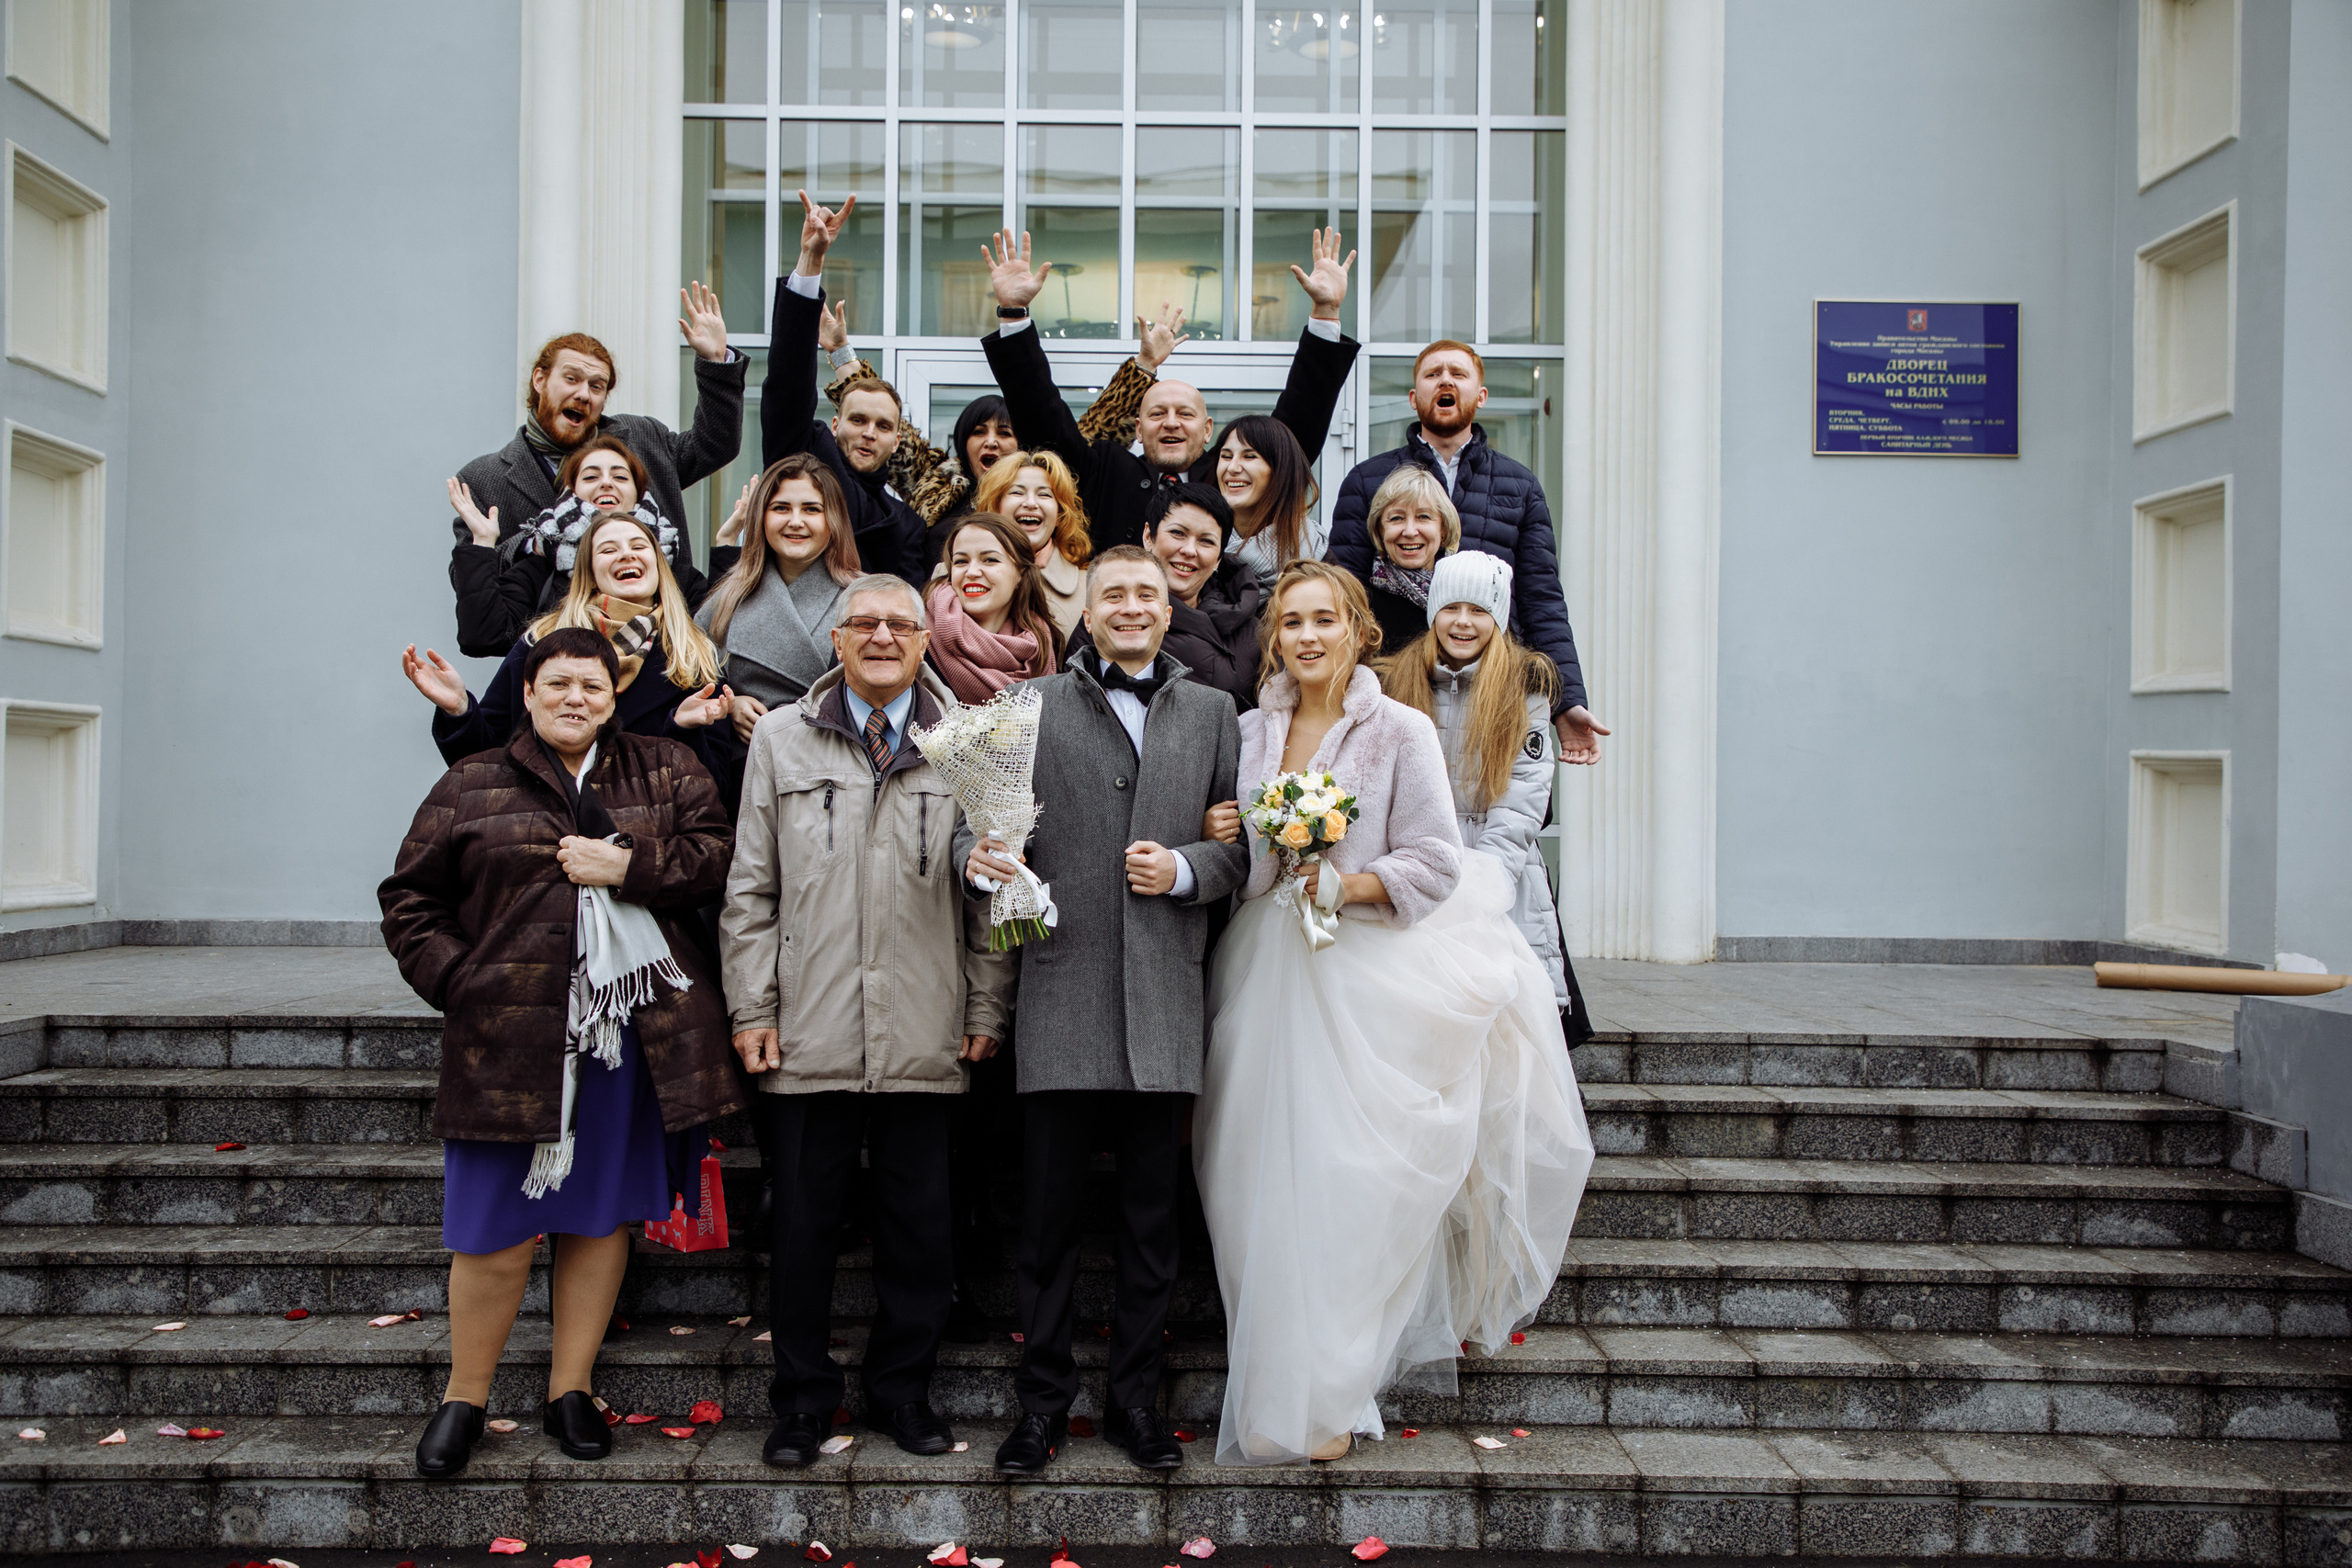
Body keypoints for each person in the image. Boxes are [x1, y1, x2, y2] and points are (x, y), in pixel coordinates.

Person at [1193, 560, 1594, 1466]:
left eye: (1322, 620)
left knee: (1347, 1189)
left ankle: (1330, 1392)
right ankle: (1274, 1389)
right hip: (1264, 971)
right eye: (1289, 622)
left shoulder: (1401, 731)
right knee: (1253, 1184)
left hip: (1362, 971)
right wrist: (1236, 833)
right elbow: (1250, 865)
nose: (1305, 636)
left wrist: (1349, 882)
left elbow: (1437, 861)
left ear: (1356, 629)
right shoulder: (1251, 730)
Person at [379, 626, 741, 1479]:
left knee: (596, 1218)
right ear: (529, 694)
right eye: (558, 684)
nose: (575, 698)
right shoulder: (471, 781)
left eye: (592, 686)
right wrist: (461, 980)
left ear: (614, 697)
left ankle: (569, 1389)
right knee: (493, 1232)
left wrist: (629, 865)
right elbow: (409, 900)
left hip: (629, 1038)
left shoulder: (665, 766)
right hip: (506, 1042)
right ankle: (464, 1397)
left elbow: (718, 859)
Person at [956, 547, 1250, 1478]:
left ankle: (1136, 1402)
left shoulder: (1212, 715)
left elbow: (1239, 850)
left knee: (1149, 1227)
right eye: (1114, 594)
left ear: (1170, 611)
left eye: (1147, 596)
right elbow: (977, 823)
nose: (1131, 608)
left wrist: (1188, 869)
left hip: (1164, 1003)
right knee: (1044, 1228)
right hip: (1062, 997)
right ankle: (1039, 1407)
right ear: (1086, 608)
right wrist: (980, 856)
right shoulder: (1028, 707)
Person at [722, 574, 1014, 1467]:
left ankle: (902, 1393)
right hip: (807, 1026)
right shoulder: (779, 738)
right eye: (865, 624)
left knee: (919, 1227)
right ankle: (803, 1403)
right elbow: (749, 888)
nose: (883, 635)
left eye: (901, 624)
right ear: (837, 640)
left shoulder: (968, 742)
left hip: (926, 1023)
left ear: (926, 641)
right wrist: (752, 1008)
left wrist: (985, 1003)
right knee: (804, 1226)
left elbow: (991, 892)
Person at [980, 227, 1361, 554]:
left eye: (1186, 414)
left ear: (1208, 429)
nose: (1171, 423)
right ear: (1138, 428)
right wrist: (1014, 314)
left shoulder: (1229, 473)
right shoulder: (1103, 470)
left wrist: (1325, 315)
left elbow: (1297, 425)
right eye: (1157, 414)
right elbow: (1040, 413)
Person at [1324, 340, 1610, 763]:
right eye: (1432, 373)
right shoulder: (1368, 480)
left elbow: (1541, 600)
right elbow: (1341, 595)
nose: (1445, 380)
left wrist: (1565, 701)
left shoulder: (1520, 485)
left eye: (1458, 374)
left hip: (1489, 688)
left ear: (1481, 395)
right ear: (1413, 396)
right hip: (1395, 687)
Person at [1381, 552, 1583, 1025]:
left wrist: (1483, 881)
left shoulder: (1524, 683)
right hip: (1420, 869)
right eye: (1451, 608)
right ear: (1433, 612)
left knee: (1501, 1015)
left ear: (1499, 617)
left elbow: (1524, 795)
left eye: (1479, 610)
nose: (1463, 623)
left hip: (1498, 875)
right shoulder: (1397, 679)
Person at [450, 290, 745, 605]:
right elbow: (470, 581)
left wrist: (716, 362)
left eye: (596, 386)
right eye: (571, 379)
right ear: (540, 379)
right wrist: (534, 542)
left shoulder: (642, 439)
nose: (583, 394)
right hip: (555, 644)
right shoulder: (483, 479)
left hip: (660, 634)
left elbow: (715, 445)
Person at [405, 510, 732, 771]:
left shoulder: (694, 654)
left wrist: (681, 729)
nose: (625, 555)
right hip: (542, 831)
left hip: (639, 841)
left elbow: (716, 785)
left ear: (659, 566)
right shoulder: (542, 641)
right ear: (589, 571)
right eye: (608, 549)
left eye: (638, 546)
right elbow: (485, 760)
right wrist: (459, 709)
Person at [762, 194, 928, 584]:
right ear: (834, 425)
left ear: (897, 438)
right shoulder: (807, 455)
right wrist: (811, 264)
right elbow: (787, 386)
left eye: (883, 426)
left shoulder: (907, 525)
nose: (869, 432)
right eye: (858, 420)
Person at [447, 435, 686, 660]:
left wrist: (724, 550)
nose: (606, 483)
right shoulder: (542, 570)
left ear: (639, 493)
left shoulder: (669, 566)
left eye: (621, 477)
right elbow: (483, 637)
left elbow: (709, 638)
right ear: (570, 492)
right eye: (591, 477)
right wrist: (482, 543)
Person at [695, 454, 864, 745]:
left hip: (835, 761)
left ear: (834, 519)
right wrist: (729, 705)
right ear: (761, 517)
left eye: (812, 509)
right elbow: (693, 681)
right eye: (781, 508)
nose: (795, 522)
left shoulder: (867, 597)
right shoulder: (726, 598)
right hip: (747, 767)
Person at [1105, 482, 1261, 713]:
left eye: (1206, 541)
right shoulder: (1110, 615)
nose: (1190, 550)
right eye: (1178, 533)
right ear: (1149, 536)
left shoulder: (1251, 630)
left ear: (1219, 558)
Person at [926, 513, 1065, 704]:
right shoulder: (921, 639)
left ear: (1020, 574)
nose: (972, 572)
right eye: (961, 561)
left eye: (990, 560)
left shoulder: (1042, 645)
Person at [969, 450, 1092, 639]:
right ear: (995, 507)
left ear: (1060, 515)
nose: (1031, 503)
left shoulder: (1090, 588)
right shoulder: (954, 575)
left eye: (1044, 494)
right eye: (1017, 492)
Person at [1358, 464, 1463, 653]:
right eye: (1396, 518)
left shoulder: (1467, 595)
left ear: (1443, 528)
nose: (1409, 531)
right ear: (1380, 530)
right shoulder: (1362, 607)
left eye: (1423, 516)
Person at [1212, 415, 1322, 593]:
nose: (1232, 467)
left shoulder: (1317, 555)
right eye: (1226, 456)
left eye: (1249, 456)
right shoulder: (1197, 549)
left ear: (1280, 470)